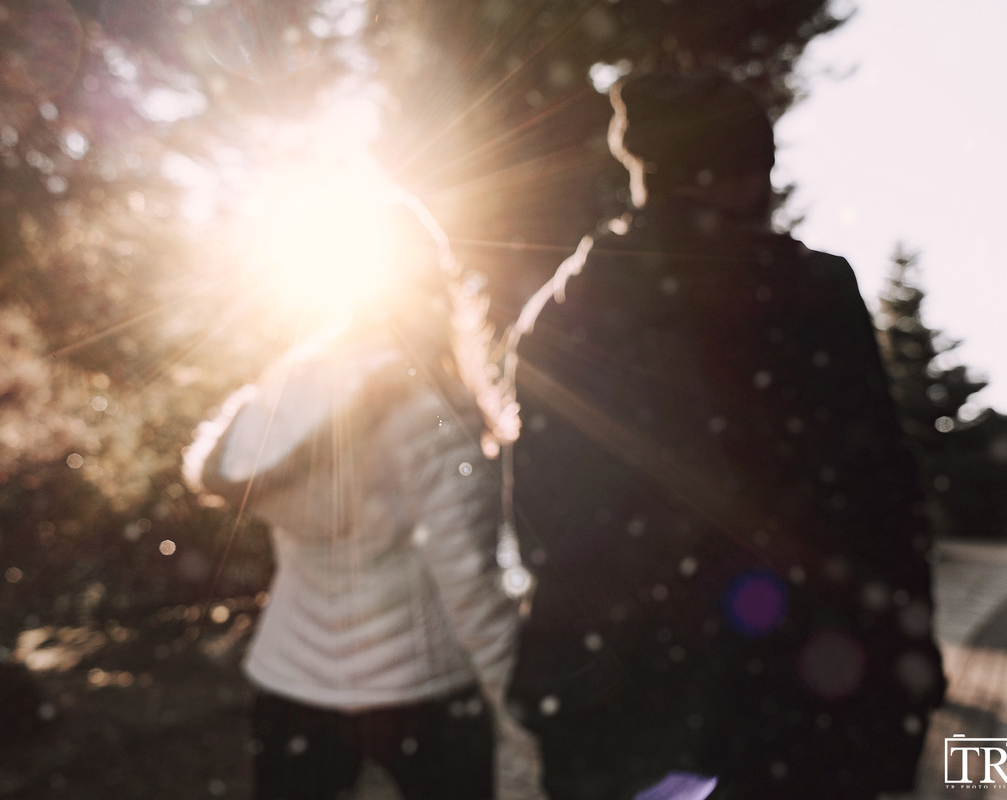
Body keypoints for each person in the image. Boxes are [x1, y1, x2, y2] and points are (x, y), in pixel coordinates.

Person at [504, 72, 945, 800]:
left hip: (624, 719)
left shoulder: (564, 313)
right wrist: (906, 676)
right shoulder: (812, 296)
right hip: (804, 703)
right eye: (760, 166)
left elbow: (544, 531)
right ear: (738, 175)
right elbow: (884, 508)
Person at [182, 200, 541, 800]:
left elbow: (230, 470)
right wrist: (514, 704)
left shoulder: (290, 386)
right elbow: (469, 578)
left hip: (290, 687)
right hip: (419, 692)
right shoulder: (425, 408)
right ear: (432, 284)